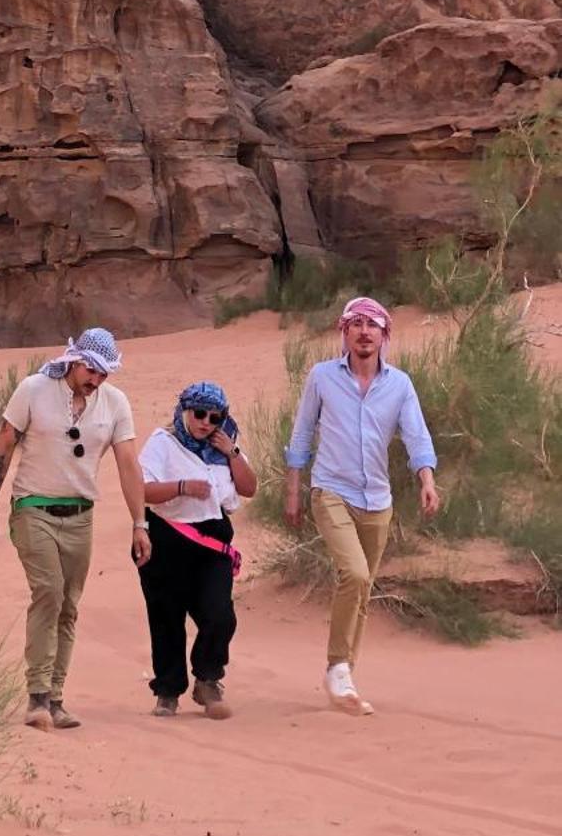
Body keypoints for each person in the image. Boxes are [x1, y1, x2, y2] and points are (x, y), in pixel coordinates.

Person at [0, 326, 150, 730]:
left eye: (104, 373)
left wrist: (140, 523)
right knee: (49, 592)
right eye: (91, 369)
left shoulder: (115, 403)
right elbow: (4, 444)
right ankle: (36, 697)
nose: (96, 379)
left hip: (80, 515)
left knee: (69, 607)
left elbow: (128, 464)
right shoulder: (33, 389)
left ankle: (55, 698)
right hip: (33, 507)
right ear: (74, 359)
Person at [284, 295, 440, 714]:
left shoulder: (400, 384)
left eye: (373, 325)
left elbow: (416, 436)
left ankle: (345, 679)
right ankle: (337, 667)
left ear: (384, 335)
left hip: (378, 499)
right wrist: (294, 491)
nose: (364, 331)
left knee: (364, 588)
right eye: (357, 324)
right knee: (352, 573)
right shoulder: (322, 377)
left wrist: (427, 479)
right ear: (345, 333)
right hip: (331, 490)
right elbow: (301, 436)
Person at [137, 380, 257, 719]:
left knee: (220, 615)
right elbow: (143, 489)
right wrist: (181, 487)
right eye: (199, 414)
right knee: (166, 617)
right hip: (167, 538)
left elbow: (249, 488)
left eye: (214, 417)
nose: (206, 422)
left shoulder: (225, 445)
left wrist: (231, 452)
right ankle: (167, 691)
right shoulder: (164, 442)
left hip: (212, 543)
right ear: (185, 411)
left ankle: (207, 679)